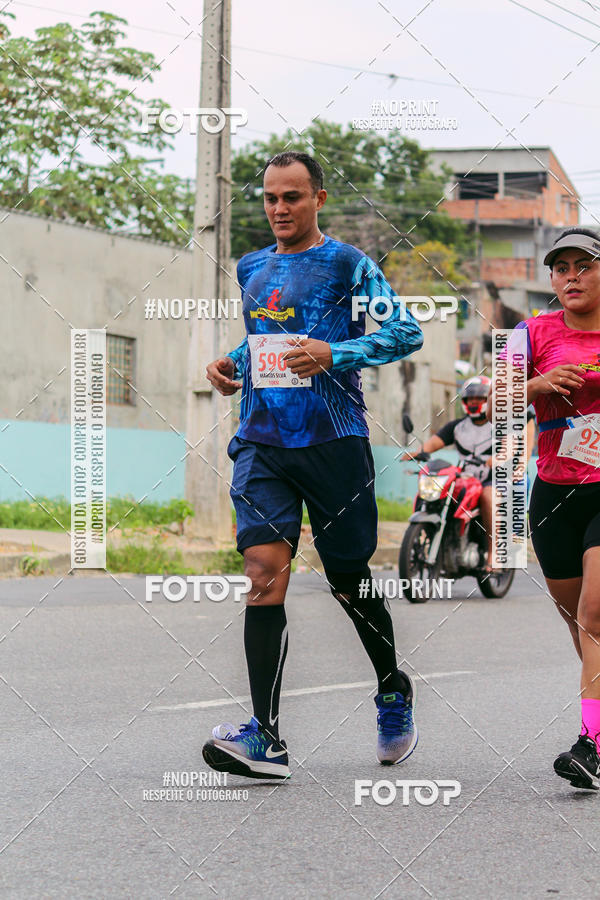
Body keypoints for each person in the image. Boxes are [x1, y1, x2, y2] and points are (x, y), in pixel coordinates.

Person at [202, 151, 424, 779]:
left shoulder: (349, 266)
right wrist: (231, 363)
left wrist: (338, 351)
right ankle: (266, 737)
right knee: (263, 572)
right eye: (270, 197)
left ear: (318, 199)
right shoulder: (251, 266)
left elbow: (405, 334)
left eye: (292, 197)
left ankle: (391, 687)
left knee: (349, 582)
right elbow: (264, 338)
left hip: (334, 443)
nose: (278, 209)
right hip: (263, 442)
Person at [499, 227, 600, 789]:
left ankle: (591, 746)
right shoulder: (529, 332)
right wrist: (536, 384)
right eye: (560, 268)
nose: (571, 277)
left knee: (596, 613)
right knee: (579, 626)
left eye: (583, 265)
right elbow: (496, 396)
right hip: (555, 491)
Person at [401, 375, 496, 570]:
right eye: (471, 399)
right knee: (437, 495)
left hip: (492, 479)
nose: (474, 403)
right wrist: (419, 453)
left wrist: (496, 460)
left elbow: (510, 450)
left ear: (489, 400)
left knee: (488, 497)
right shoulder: (457, 427)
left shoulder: (498, 425)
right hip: (465, 478)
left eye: (479, 399)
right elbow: (434, 443)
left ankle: (493, 554)